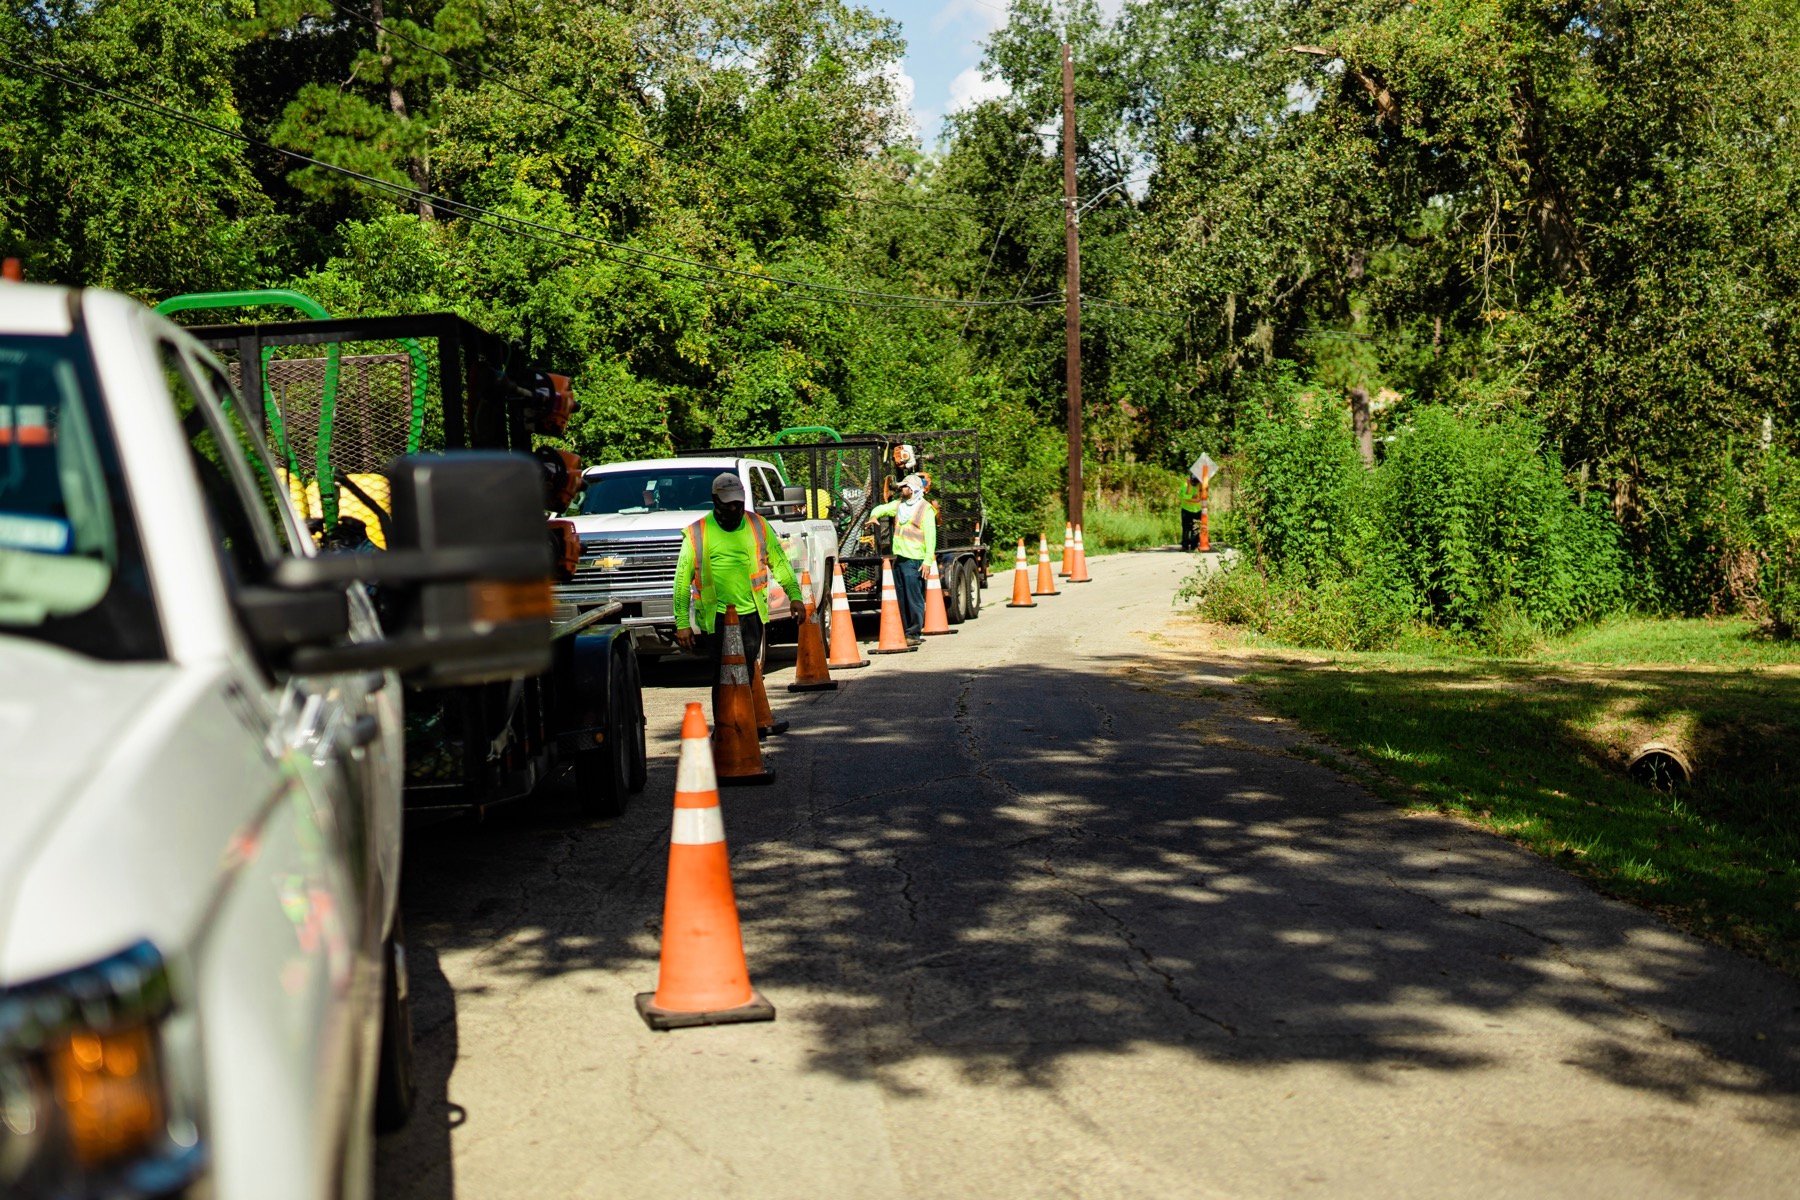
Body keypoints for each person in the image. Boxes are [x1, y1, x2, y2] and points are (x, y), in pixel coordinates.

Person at [673, 472, 802, 704]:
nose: (734, 508)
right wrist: (682, 623)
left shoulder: (757, 525)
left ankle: (747, 730)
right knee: (723, 676)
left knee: (747, 673)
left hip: (751, 615)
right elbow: (681, 581)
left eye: (738, 503)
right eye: (728, 503)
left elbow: (780, 562)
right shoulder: (697, 533)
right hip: (717, 619)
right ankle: (726, 733)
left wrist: (795, 596)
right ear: (715, 501)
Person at [865, 473, 935, 644]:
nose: (901, 489)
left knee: (914, 598)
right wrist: (873, 516)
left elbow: (931, 536)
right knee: (902, 597)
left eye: (904, 486)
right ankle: (904, 631)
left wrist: (927, 561)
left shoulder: (925, 509)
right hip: (901, 559)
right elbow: (880, 509)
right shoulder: (899, 506)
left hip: (915, 560)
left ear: (912, 489)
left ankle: (914, 633)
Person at [1179, 467, 1206, 552]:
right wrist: (1192, 497)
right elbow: (1184, 497)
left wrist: (1191, 499)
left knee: (1196, 529)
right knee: (1186, 528)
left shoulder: (1200, 485)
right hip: (1186, 510)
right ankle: (1185, 546)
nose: (1194, 483)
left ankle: (1194, 546)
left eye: (1196, 482)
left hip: (1197, 510)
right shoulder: (1185, 485)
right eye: (1193, 481)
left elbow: (1199, 498)